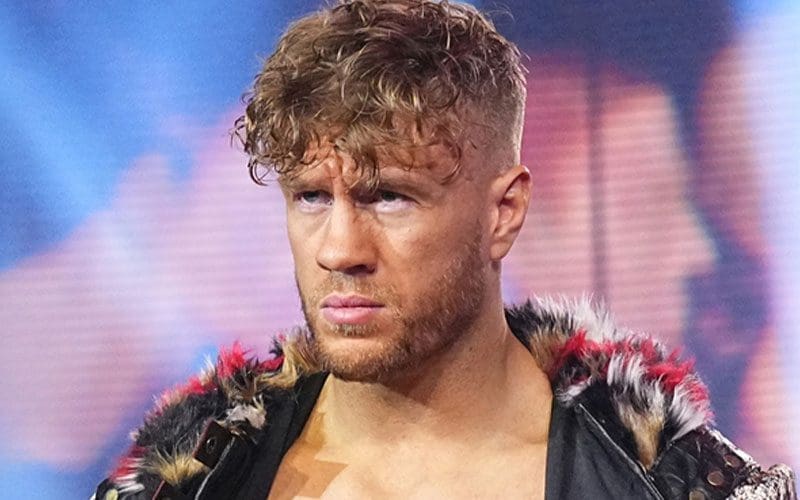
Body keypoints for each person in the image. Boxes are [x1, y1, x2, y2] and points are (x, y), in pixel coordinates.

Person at [93, 1, 796, 498]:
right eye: (311, 197)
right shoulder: (195, 476)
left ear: (503, 212)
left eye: (389, 197)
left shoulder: (669, 483)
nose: (339, 249)